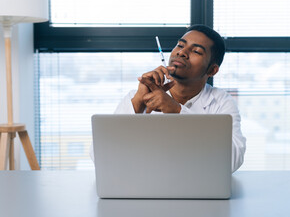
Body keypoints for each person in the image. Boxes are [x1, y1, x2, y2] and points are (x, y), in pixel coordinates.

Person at [92, 25, 246, 173]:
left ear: (212, 70)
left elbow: (232, 161)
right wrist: (138, 103)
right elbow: (99, 156)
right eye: (180, 45)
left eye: (196, 51)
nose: (182, 53)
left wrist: (177, 111)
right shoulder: (139, 95)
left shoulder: (222, 103)